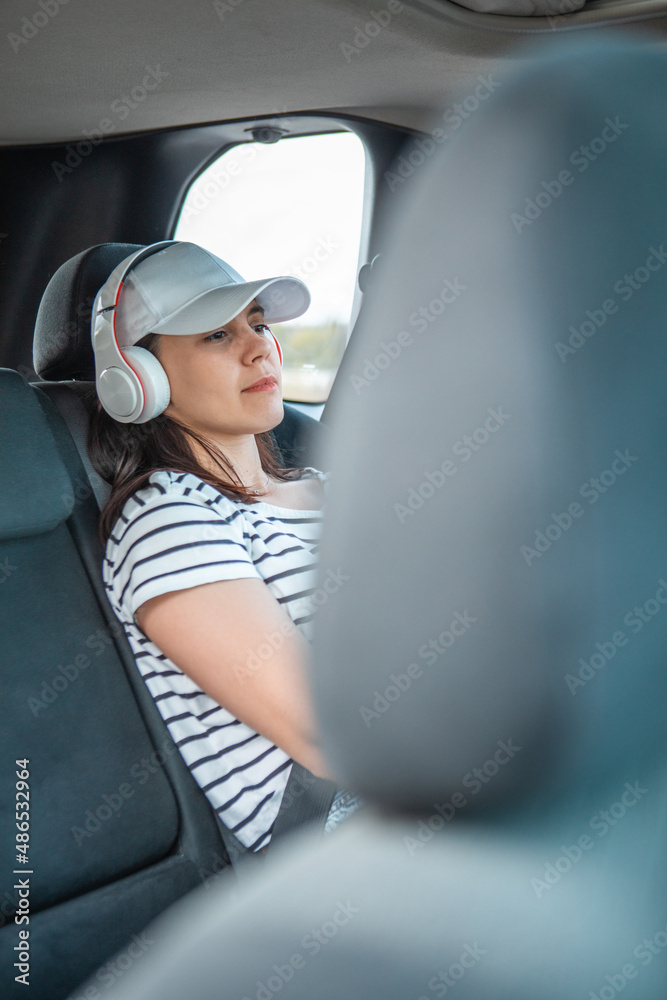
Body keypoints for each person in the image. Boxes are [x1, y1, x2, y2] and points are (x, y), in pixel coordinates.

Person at [89, 240, 361, 854]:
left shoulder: (338, 488)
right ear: (138, 375)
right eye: (214, 335)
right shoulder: (167, 518)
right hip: (343, 824)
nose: (258, 346)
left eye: (258, 324)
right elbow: (329, 733)